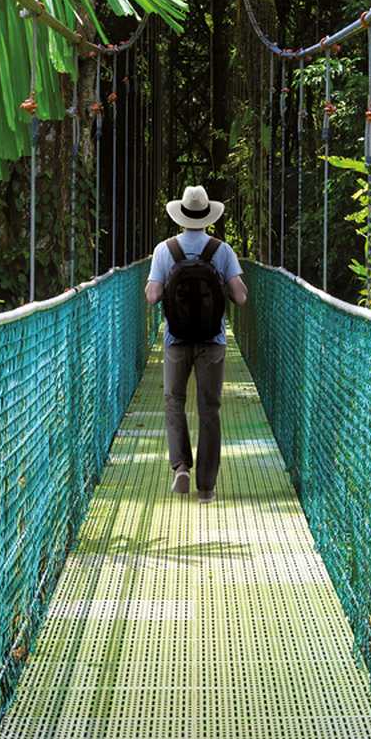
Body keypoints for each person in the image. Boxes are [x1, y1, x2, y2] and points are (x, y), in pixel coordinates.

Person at [145, 185, 248, 503]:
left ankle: (180, 468)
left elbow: (152, 295)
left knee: (174, 401)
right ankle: (206, 487)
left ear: (181, 216)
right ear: (207, 215)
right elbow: (241, 297)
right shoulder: (222, 250)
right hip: (212, 341)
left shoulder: (166, 249)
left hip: (176, 340)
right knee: (209, 409)